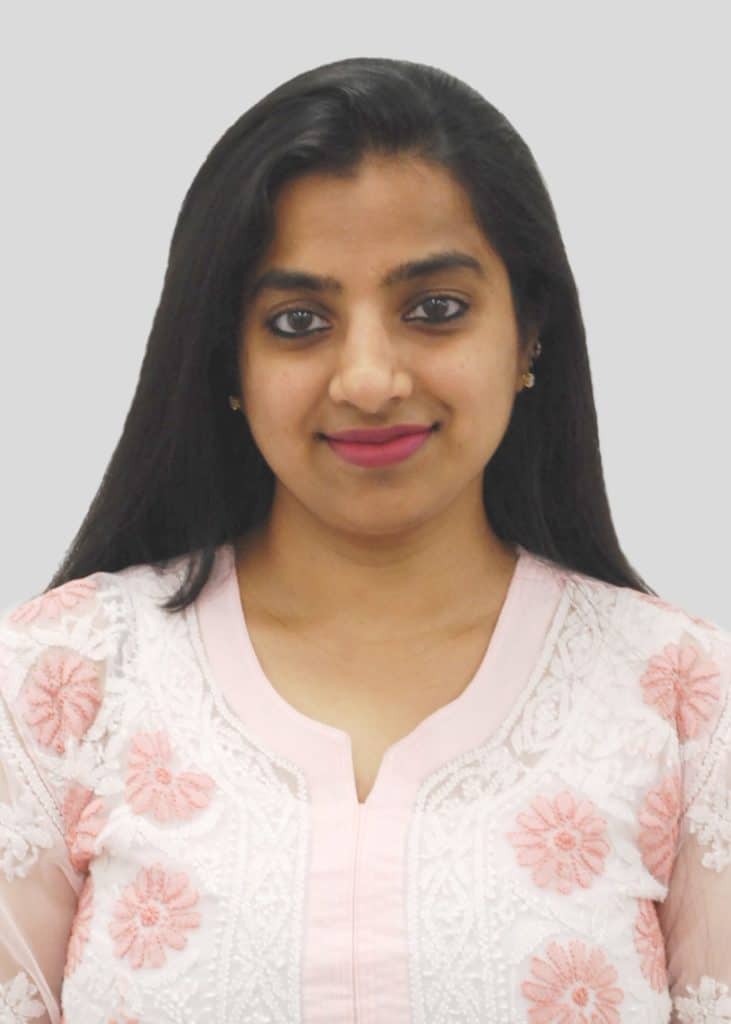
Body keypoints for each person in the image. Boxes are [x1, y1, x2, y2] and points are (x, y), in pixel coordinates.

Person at [0, 55, 729, 1024]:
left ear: (529, 332)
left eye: (434, 309)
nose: (369, 379)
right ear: (226, 360)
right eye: (298, 321)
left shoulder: (685, 702)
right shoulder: (53, 686)